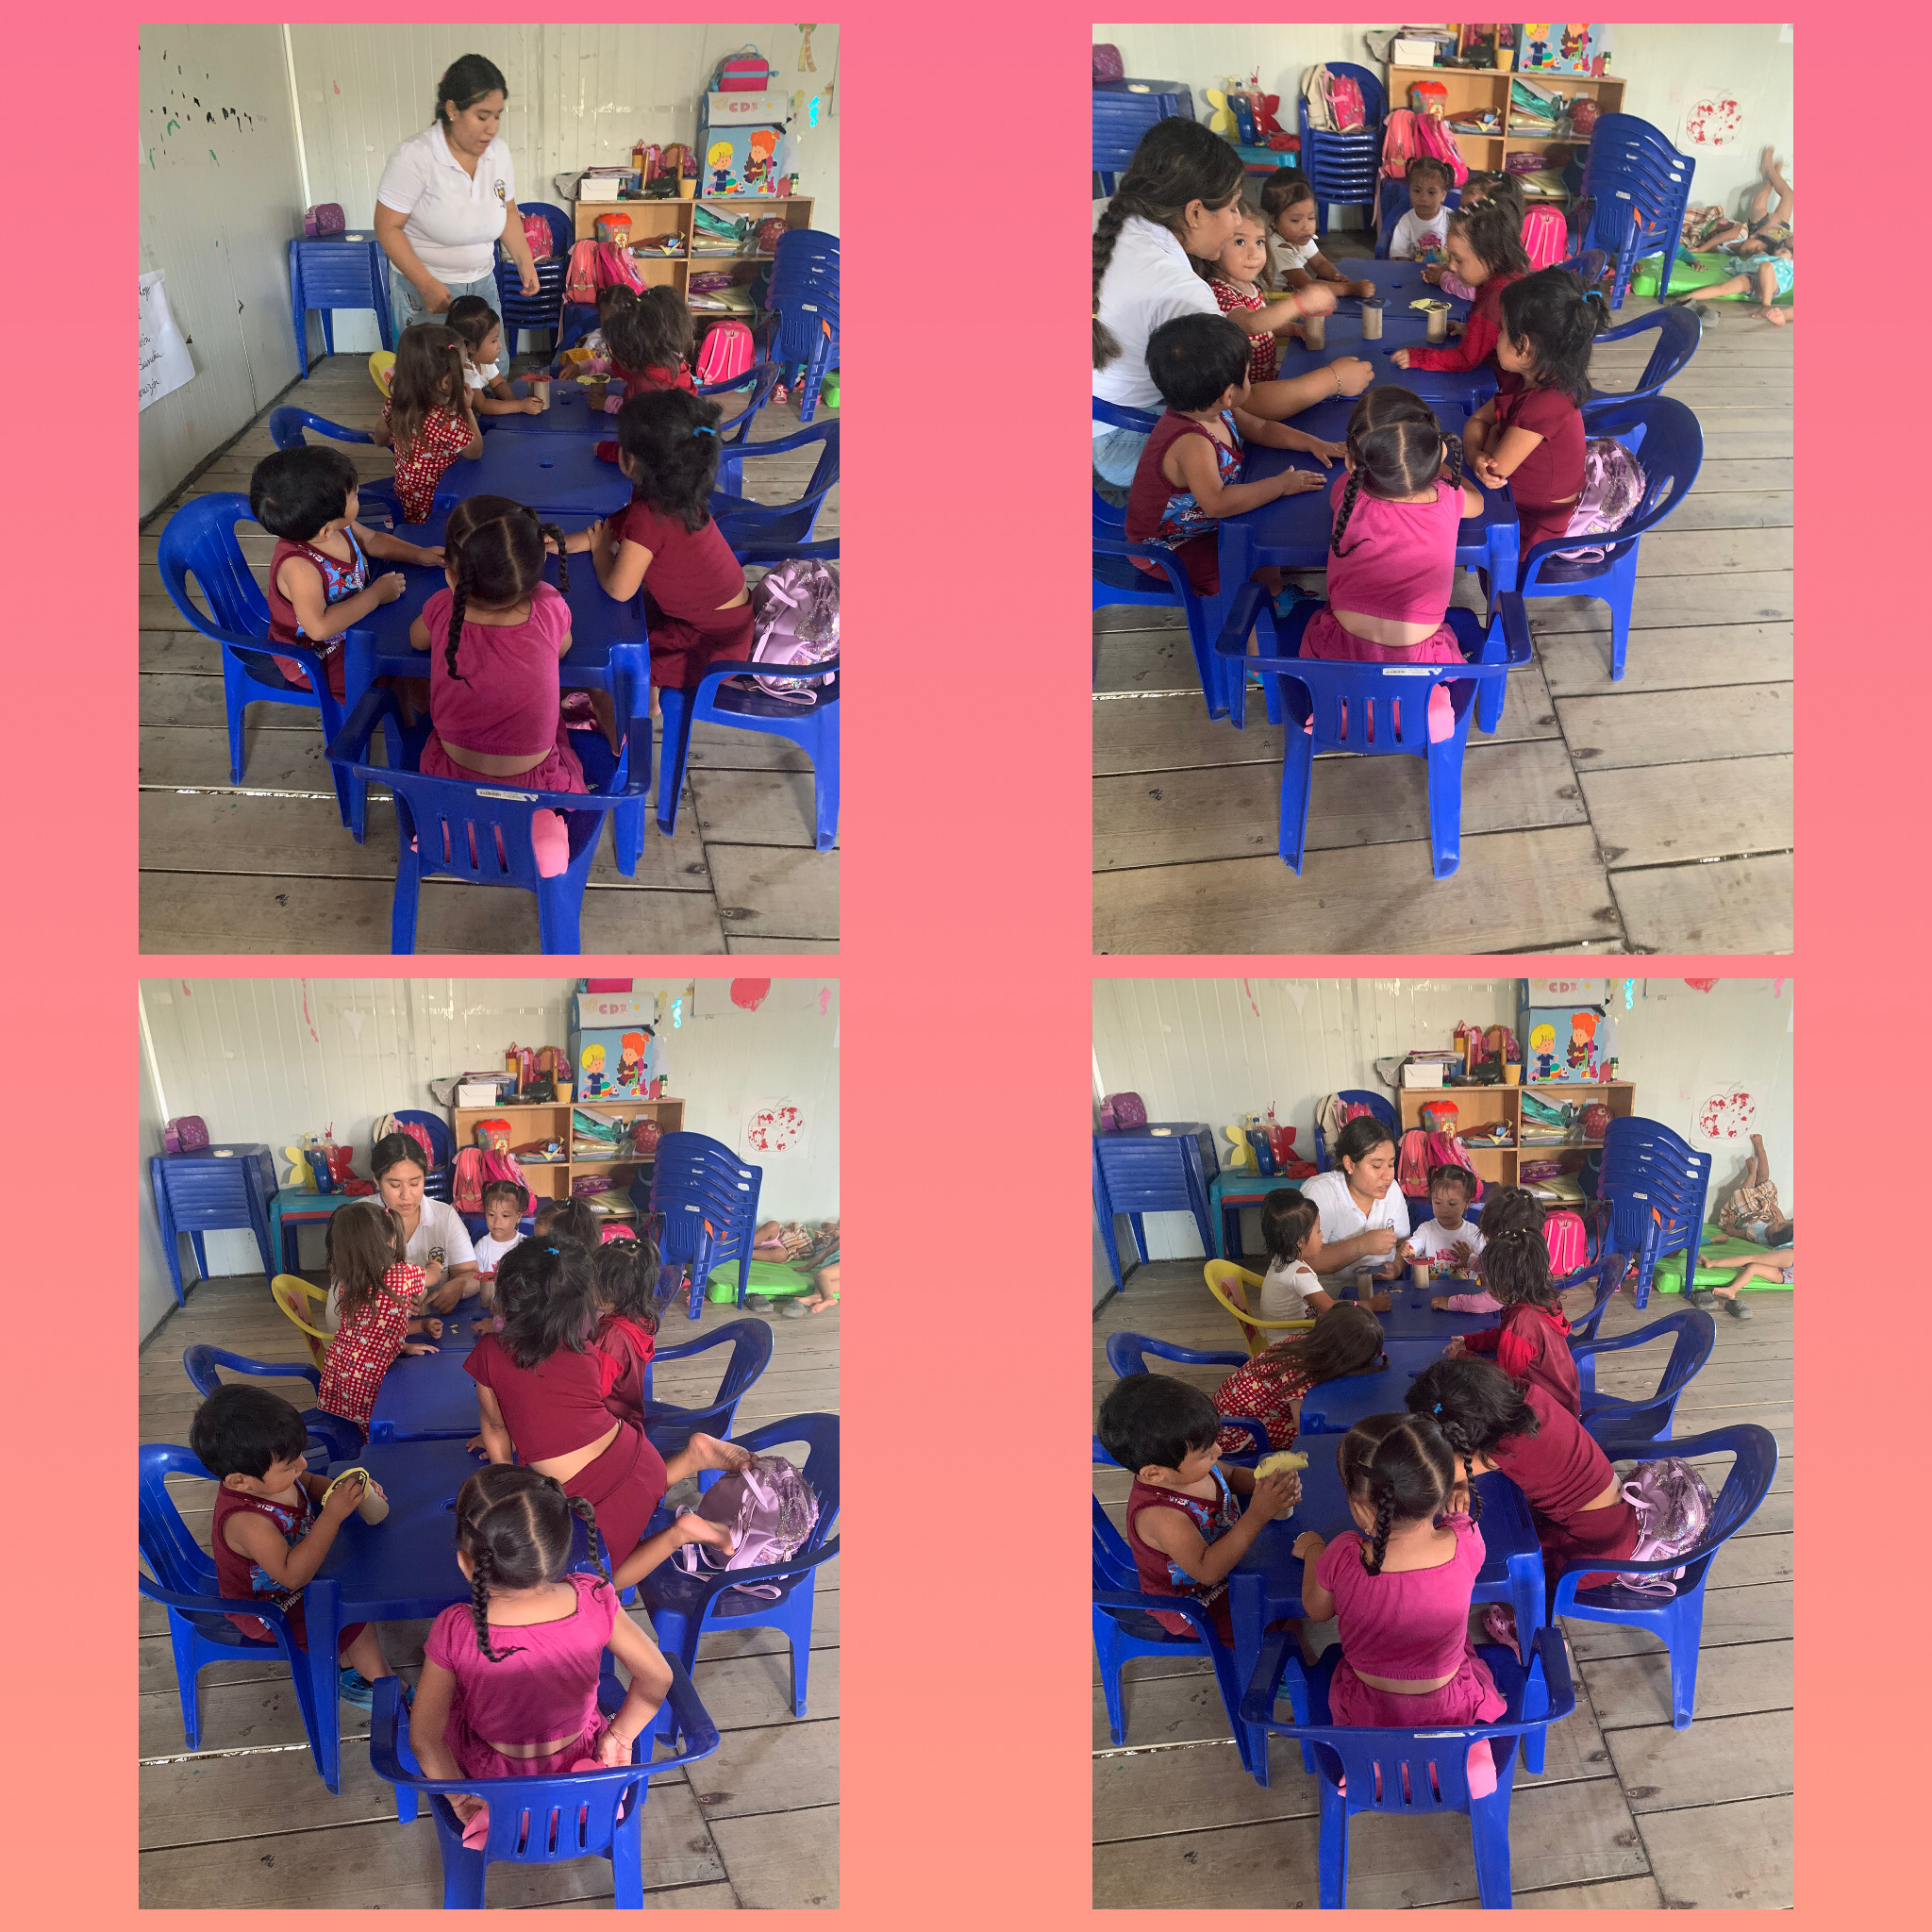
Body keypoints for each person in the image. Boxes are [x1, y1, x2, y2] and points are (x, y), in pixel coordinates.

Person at [1092, 120, 1369, 490]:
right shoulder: (1183, 293)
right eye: (1234, 207)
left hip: (1096, 419)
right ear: (1194, 213)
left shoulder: (1103, 212)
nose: (1238, 221)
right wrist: (1332, 380)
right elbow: (1240, 405)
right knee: (1241, 456)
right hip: (1127, 437)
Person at [409, 1467, 689, 1819]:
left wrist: (460, 1798)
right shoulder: (594, 1598)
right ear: (559, 1552)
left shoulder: (455, 1628)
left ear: (467, 1565)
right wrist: (620, 1736)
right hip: (581, 1769)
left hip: (492, 1784)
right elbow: (658, 1677)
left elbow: (425, 1739)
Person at [464, 1239, 749, 1573]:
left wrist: (505, 1489)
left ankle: (680, 1532)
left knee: (604, 1579)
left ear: (506, 1298)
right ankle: (691, 1459)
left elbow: (496, 1426)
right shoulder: (584, 1348)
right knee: (636, 1491)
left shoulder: (489, 1352)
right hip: (641, 1457)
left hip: (595, 1500)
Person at [1291, 1412, 1507, 1795]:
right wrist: (1455, 1517)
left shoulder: (1344, 1554)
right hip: (1452, 1707)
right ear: (1441, 1491)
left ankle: (1378, 1771)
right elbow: (1462, 1538)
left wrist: (1312, 1552)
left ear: (1361, 1507)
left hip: (1369, 1713)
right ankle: (1456, 1766)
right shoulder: (1465, 1541)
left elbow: (1317, 1611)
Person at [406, 494, 586, 881]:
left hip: (450, 776)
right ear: (535, 569)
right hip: (534, 782)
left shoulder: (443, 607)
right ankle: (534, 835)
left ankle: (454, 835)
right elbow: (564, 648)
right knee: (565, 737)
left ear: (452, 574)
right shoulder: (548, 605)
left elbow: (415, 640)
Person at [188, 1385, 397, 1707]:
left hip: (297, 1576)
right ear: (239, 1481)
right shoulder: (248, 1521)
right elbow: (292, 1575)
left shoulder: (274, 1480)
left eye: (299, 1454)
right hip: (271, 1607)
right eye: (289, 1465)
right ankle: (382, 1683)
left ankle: (348, 1664)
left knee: (357, 1592)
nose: (302, 1464)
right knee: (352, 1612)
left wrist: (342, 1491)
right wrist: (333, 1514)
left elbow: (308, 1483)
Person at [1307, 386, 1487, 744]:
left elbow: (1339, 499)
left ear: (1352, 462)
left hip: (1340, 651)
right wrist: (1443, 471)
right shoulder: (1448, 496)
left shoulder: (1347, 489)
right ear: (1438, 452)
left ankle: (1346, 711)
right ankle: (1419, 712)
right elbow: (1478, 503)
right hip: (1419, 661)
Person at [1124, 314, 1336, 597]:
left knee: (1259, 535)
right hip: (1170, 545)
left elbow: (1261, 428)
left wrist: (1311, 443)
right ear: (1228, 394)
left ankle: (1272, 591)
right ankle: (1265, 608)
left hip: (1203, 522)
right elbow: (1217, 503)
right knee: (1239, 575)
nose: (1249, 380)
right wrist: (1280, 485)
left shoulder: (1213, 408)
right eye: (1247, 376)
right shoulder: (1192, 443)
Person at [565, 390, 754, 696]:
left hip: (712, 647)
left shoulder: (649, 515)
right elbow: (615, 528)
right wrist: (564, 543)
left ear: (630, 459)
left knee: (616, 657)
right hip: (725, 622)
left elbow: (619, 589)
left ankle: (646, 705)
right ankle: (650, 696)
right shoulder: (678, 491)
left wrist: (600, 552)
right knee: (631, 620)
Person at [1409, 1356, 1640, 1605]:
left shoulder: (1510, 1444)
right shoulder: (1521, 1395)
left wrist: (1459, 1476)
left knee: (1502, 1565)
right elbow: (1461, 1465)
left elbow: (1437, 1470)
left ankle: (1515, 1615)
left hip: (1594, 1552)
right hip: (1613, 1516)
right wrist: (1462, 1480)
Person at [1096, 1373, 1299, 1641]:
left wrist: (1265, 1484)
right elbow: (1207, 1570)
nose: (1218, 1451)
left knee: (1292, 1581)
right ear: (1155, 1474)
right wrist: (1258, 1514)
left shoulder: (1193, 1469)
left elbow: (1230, 1476)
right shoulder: (1162, 1516)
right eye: (1205, 1453)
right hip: (1196, 1602)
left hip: (1228, 1563)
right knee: (1275, 1616)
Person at [248, 446, 441, 698]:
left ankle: (418, 699)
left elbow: (372, 540)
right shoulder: (300, 568)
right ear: (327, 529)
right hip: (316, 654)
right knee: (393, 670)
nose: (358, 492)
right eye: (355, 495)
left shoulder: (333, 526)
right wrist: (375, 596)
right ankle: (400, 711)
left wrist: (420, 555)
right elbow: (319, 628)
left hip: (356, 622)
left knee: (415, 646)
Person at [374, 53, 541, 334]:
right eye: (482, 116)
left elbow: (508, 211)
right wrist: (426, 284)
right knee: (437, 361)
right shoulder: (415, 156)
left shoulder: (498, 153)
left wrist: (525, 262)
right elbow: (387, 227)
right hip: (428, 289)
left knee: (488, 358)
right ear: (452, 109)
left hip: (483, 282)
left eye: (497, 116)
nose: (492, 128)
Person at [1461, 268, 1604, 558]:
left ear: (1523, 346)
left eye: (1502, 330)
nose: (1497, 337)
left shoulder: (1545, 404)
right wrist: (1478, 451)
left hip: (1536, 524)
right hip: (1516, 499)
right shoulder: (1528, 379)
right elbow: (1479, 421)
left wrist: (1483, 443)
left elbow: (1495, 470)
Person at [315, 1201, 440, 1438]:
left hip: (340, 1369)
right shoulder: (401, 1275)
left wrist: (402, 1346)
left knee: (361, 1428)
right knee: (377, 1432)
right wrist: (435, 1264)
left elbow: (368, 1332)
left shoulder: (349, 1282)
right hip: (368, 1379)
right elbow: (432, 1277)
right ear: (392, 1240)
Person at [1443, 1223, 1580, 1414]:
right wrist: (1470, 1341)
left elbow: (1502, 1379)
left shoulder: (1523, 1322)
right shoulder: (1538, 1300)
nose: (1485, 1282)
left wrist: (1464, 1358)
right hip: (1562, 1398)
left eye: (1489, 1277)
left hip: (1547, 1412)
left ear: (1506, 1282)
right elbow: (1506, 1336)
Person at [1213, 1301, 1386, 1453]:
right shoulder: (1300, 1372)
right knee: (1322, 1439)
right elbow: (1304, 1429)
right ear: (1339, 1358)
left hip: (1228, 1410)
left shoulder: (1306, 1342)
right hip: (1236, 1429)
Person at [1204, 193, 1334, 387]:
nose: (1254, 253)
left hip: (1265, 382)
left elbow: (1265, 325)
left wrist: (1293, 329)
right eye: (1240, 242)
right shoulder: (1219, 293)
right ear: (1215, 244)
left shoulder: (1249, 286)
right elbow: (1251, 324)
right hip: (1243, 394)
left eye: (1259, 242)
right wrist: (1300, 302)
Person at [1393, 200, 1527, 376]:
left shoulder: (1495, 297)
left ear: (1492, 257)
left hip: (1505, 380)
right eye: (1450, 257)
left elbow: (1464, 359)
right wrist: (1470, 330)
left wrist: (1418, 357)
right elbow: (1497, 331)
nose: (1451, 266)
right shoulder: (1503, 276)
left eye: (1459, 260)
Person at [369, 324, 484, 525]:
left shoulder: (397, 401)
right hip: (436, 509)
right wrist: (466, 408)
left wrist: (382, 441)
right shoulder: (445, 420)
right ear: (445, 381)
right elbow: (475, 451)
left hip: (405, 501)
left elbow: (380, 434)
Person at [1298, 1116, 1412, 1310]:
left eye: (1391, 1164)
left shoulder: (1392, 1190)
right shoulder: (1320, 1193)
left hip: (1379, 1295)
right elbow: (1304, 1261)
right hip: (1329, 1302)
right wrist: (1362, 1245)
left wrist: (1396, 1267)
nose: (1387, 1175)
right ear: (1350, 1164)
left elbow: (1403, 1243)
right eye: (1376, 1166)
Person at [365, 1131, 479, 1314]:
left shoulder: (445, 1216)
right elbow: (346, 1284)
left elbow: (472, 1275)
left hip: (432, 1319)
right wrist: (384, 1299)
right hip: (372, 1325)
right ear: (376, 1180)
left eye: (415, 1183)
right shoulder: (360, 1218)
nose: (406, 1195)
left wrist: (459, 1285)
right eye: (395, 1185)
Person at [1703, 1131, 1792, 1316]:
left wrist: (1715, 1260)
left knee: (1752, 1260)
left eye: (1779, 1224)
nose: (1779, 1221)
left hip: (1752, 1217)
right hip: (1788, 1277)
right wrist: (1772, 1208)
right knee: (1754, 1267)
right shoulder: (1779, 1230)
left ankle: (1713, 1263)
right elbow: (1781, 1220)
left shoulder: (1786, 1252)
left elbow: (1748, 1252)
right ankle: (1732, 1290)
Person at [1260, 169, 1376, 298]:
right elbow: (1307, 286)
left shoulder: (1300, 237)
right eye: (1295, 220)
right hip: (1271, 301)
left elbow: (1320, 263)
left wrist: (1336, 276)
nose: (1306, 227)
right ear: (1273, 221)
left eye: (1311, 217)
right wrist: (1350, 288)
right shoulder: (1278, 248)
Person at [591, 1236, 661, 1428]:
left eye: (593, 1280)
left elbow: (593, 1393)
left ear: (612, 1290)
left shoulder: (611, 1338)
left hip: (611, 1424)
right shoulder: (641, 1317)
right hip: (629, 1413)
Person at [1406, 1165, 1491, 1308]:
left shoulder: (1473, 1233)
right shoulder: (1426, 1229)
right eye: (1437, 1202)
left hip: (1464, 1301)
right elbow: (1415, 1244)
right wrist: (1409, 1249)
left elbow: (1486, 1267)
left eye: (1452, 1204)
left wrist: (1470, 1259)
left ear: (1466, 1203)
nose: (1444, 1209)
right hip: (1431, 1299)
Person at [443, 295, 544, 418]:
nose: (499, 345)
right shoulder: (464, 371)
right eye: (494, 341)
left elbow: (499, 383)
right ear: (472, 347)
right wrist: (520, 406)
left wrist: (510, 401)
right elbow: (482, 405)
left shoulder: (482, 361)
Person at [1256, 1191, 1335, 1320]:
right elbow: (1332, 1310)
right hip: (1297, 1332)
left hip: (1280, 1331)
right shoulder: (1299, 1274)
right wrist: (1366, 1305)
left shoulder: (1280, 1260)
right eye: (1318, 1231)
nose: (1322, 1236)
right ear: (1300, 1242)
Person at [1388, 156, 1455, 265]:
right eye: (1417, 191)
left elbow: (1460, 252)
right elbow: (1400, 258)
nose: (1423, 198)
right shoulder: (1406, 222)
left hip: (1445, 272)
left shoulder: (1451, 218)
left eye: (1431, 192)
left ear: (1443, 195)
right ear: (1409, 191)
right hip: (1414, 272)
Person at [475, 1178, 529, 1306]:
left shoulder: (525, 1245)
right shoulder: (482, 1246)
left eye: (505, 1216)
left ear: (518, 1216)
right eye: (491, 1214)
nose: (497, 1222)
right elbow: (476, 1281)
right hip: (488, 1306)